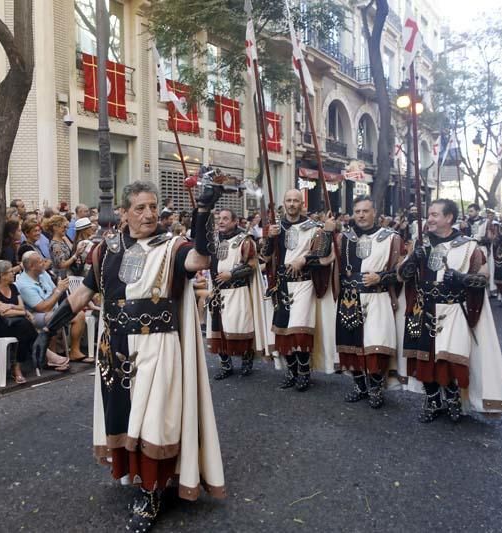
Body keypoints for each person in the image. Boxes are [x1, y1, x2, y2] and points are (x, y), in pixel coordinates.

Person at [45, 180, 225, 530]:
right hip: (114, 350)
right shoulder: (104, 250)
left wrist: (202, 213)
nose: (149, 213)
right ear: (124, 214)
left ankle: (152, 492)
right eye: (140, 208)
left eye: (153, 206)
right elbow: (83, 294)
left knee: (155, 419)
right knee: (125, 418)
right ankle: (139, 478)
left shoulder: (174, 247)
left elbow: (201, 258)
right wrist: (48, 327)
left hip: (158, 345)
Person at [398, 199, 502, 423]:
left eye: (434, 215)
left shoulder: (469, 246)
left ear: (449, 218)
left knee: (449, 360)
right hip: (423, 309)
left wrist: (461, 278)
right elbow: (402, 275)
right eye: (429, 214)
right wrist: (414, 257)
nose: (429, 219)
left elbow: (483, 278)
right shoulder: (421, 244)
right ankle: (432, 400)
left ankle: (452, 398)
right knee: (424, 359)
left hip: (452, 311)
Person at [262, 189, 334, 392]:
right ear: (284, 203)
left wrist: (305, 257)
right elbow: (265, 257)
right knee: (283, 331)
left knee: (300, 331)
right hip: (281, 283)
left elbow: (323, 254)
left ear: (302, 204)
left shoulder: (313, 228)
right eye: (288, 200)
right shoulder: (277, 227)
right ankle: (291, 372)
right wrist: (269, 237)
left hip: (304, 282)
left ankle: (304, 373)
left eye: (296, 200)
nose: (292, 204)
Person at [335, 196, 403, 409]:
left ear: (375, 213)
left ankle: (375, 389)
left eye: (365, 211)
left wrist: (381, 277)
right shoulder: (343, 238)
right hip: (349, 299)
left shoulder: (391, 238)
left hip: (378, 298)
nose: (361, 215)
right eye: (357, 211)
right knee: (352, 345)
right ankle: (359, 387)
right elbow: (331, 265)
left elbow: (402, 273)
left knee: (376, 346)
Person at [205, 208, 265, 379]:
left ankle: (247, 361)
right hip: (218, 292)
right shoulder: (214, 240)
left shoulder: (244, 240)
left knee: (240, 326)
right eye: (219, 219)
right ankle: (226, 366)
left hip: (238, 291)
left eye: (225, 219)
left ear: (234, 222)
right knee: (219, 329)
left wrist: (231, 274)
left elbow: (252, 264)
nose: (221, 222)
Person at [15, 251, 83, 366]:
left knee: (79, 314)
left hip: (51, 309)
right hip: (35, 315)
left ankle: (75, 351)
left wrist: (57, 291)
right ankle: (50, 358)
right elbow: (42, 308)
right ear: (31, 266)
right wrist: (58, 290)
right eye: (40, 262)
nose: (44, 263)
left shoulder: (43, 274)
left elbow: (53, 291)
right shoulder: (23, 284)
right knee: (53, 318)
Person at [0, 260, 38, 384]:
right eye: (10, 272)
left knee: (24, 329)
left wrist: (11, 306)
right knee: (25, 326)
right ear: (2, 275)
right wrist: (22, 312)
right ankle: (19, 366)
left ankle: (17, 367)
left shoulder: (13, 286)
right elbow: (3, 313)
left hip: (14, 324)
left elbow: (21, 306)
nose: (14, 273)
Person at [45, 215, 78, 279]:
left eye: (66, 227)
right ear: (55, 227)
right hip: (62, 278)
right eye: (64, 227)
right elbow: (62, 265)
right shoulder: (55, 245)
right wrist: (75, 256)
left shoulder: (63, 240)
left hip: (68, 275)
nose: (66, 229)